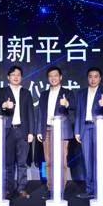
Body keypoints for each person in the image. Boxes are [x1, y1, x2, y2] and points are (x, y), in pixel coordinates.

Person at [35, 66, 76, 198]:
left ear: (60, 77)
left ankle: (60, 190)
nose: (53, 78)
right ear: (48, 79)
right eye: (50, 76)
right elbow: (40, 113)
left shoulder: (67, 92)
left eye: (56, 76)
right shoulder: (44, 94)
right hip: (47, 129)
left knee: (61, 162)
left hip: (61, 130)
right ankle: (50, 189)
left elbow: (74, 106)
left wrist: (66, 103)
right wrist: (39, 130)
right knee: (48, 162)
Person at [74, 66, 103, 199]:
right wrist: (77, 131)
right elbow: (78, 113)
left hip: (101, 128)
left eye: (96, 77)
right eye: (90, 77)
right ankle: (90, 189)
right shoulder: (81, 93)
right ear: (87, 78)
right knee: (88, 161)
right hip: (85, 128)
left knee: (102, 160)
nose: (93, 79)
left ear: (100, 78)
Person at [0, 65, 35, 199]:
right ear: (8, 77)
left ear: (21, 77)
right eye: (13, 75)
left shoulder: (26, 93)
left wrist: (31, 132)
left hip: (23, 131)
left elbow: (30, 113)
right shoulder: (2, 91)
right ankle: (8, 189)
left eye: (18, 75)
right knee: (8, 163)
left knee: (22, 162)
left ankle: (22, 188)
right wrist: (5, 105)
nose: (16, 77)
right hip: (8, 131)